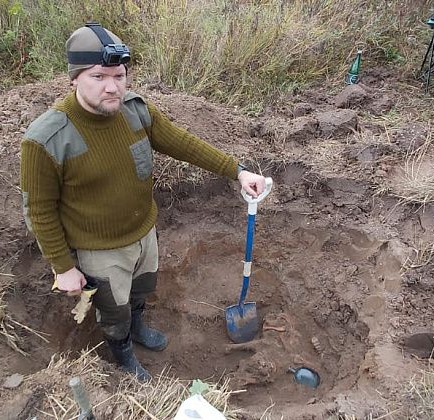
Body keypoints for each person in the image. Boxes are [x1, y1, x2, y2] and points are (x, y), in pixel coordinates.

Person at [19, 22, 269, 381]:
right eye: (98, 76)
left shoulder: (135, 111)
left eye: (119, 75)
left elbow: (182, 142)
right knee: (113, 308)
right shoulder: (47, 139)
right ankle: (122, 354)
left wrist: (238, 171)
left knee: (141, 290)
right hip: (100, 250)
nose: (112, 87)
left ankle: (138, 328)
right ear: (74, 78)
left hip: (143, 232)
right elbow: (39, 211)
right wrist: (62, 266)